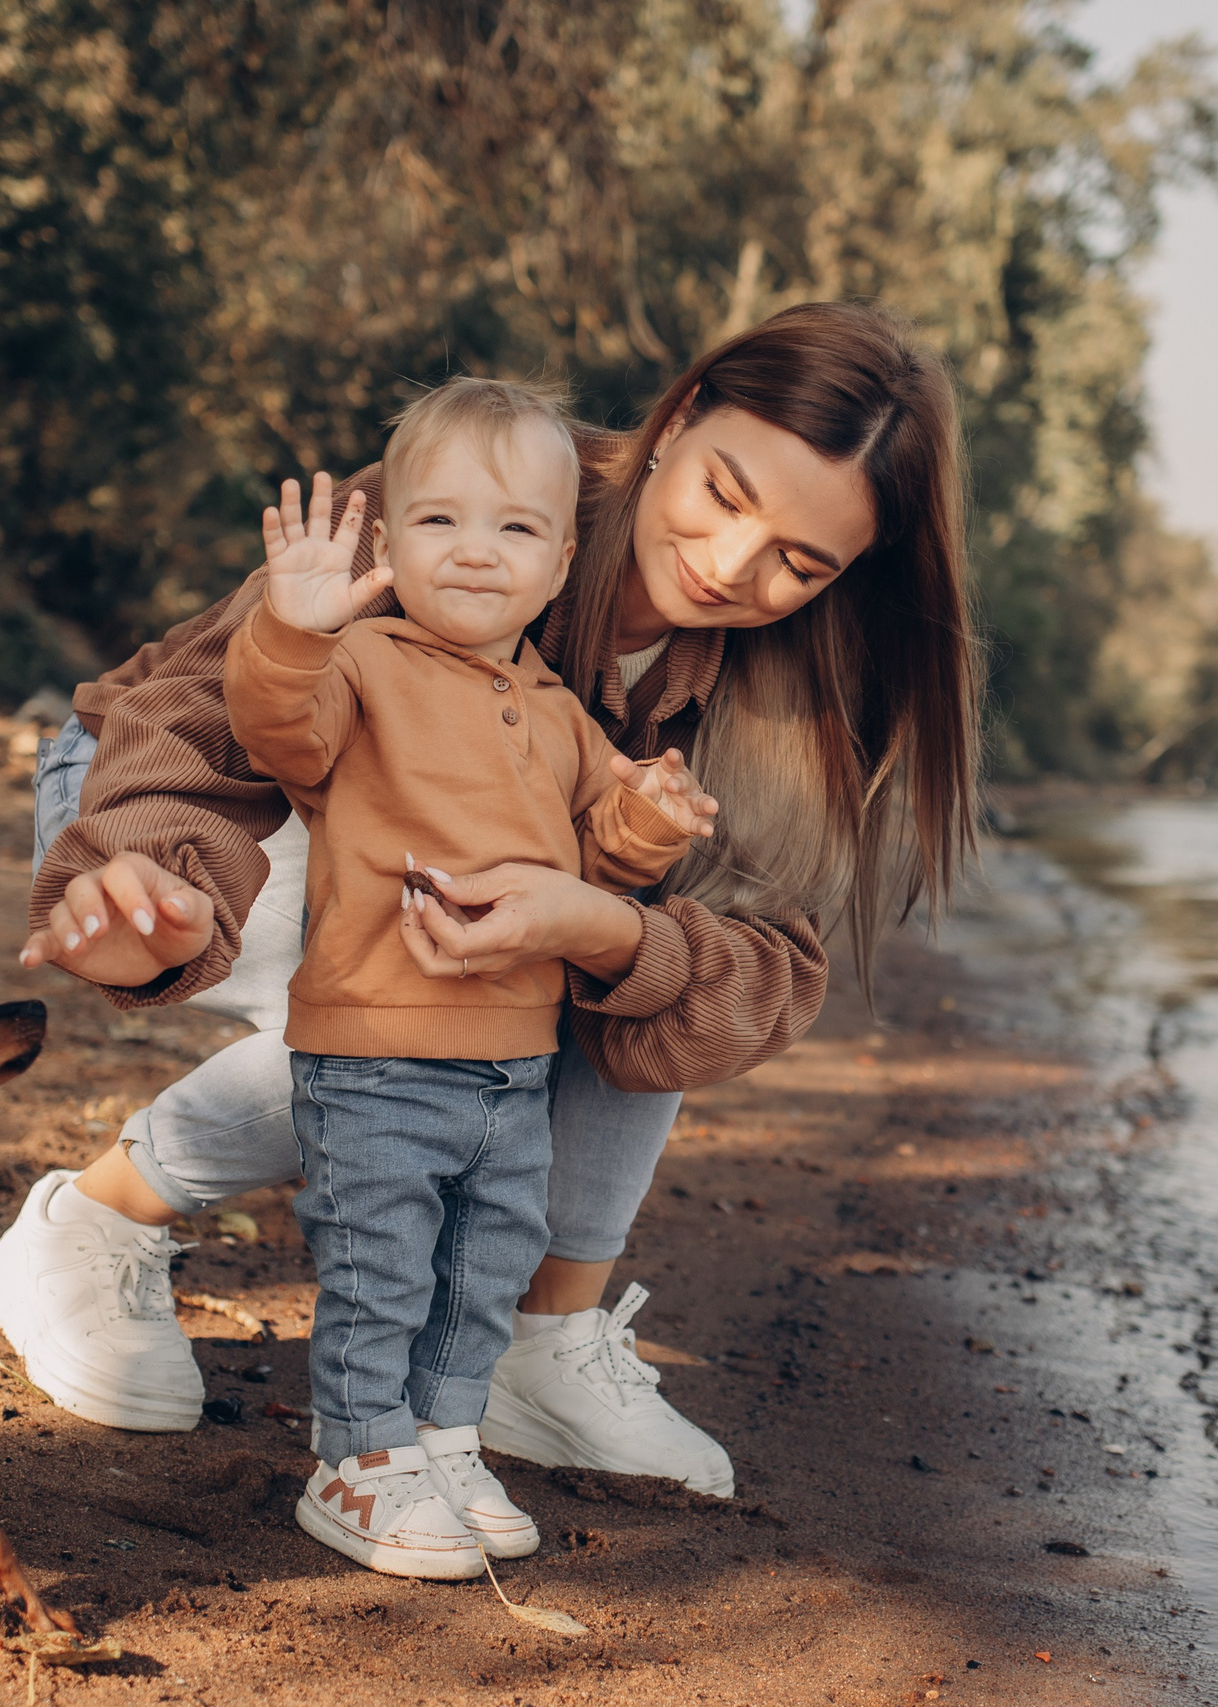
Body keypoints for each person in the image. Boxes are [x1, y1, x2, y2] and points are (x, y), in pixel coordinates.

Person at [0, 301, 978, 1500]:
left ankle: (541, 1343)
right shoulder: (484, 484)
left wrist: (603, 927)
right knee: (458, 989)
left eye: (799, 562)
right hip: (166, 800)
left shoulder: (794, 697)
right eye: (724, 493)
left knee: (616, 970)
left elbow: (755, 977)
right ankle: (94, 1223)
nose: (731, 567)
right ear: (680, 418)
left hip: (443, 911)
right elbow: (206, 722)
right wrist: (161, 879)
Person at [227, 378, 715, 1577]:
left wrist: (648, 819)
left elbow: (595, 854)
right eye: (440, 522)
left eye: (513, 530)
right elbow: (277, 730)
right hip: (376, 1047)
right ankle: (356, 1455)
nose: (476, 553)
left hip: (513, 1057)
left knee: (484, 1262)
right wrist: (291, 628)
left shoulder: (556, 710)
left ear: (559, 567)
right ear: (388, 545)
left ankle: (444, 1434)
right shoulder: (364, 664)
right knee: (379, 1258)